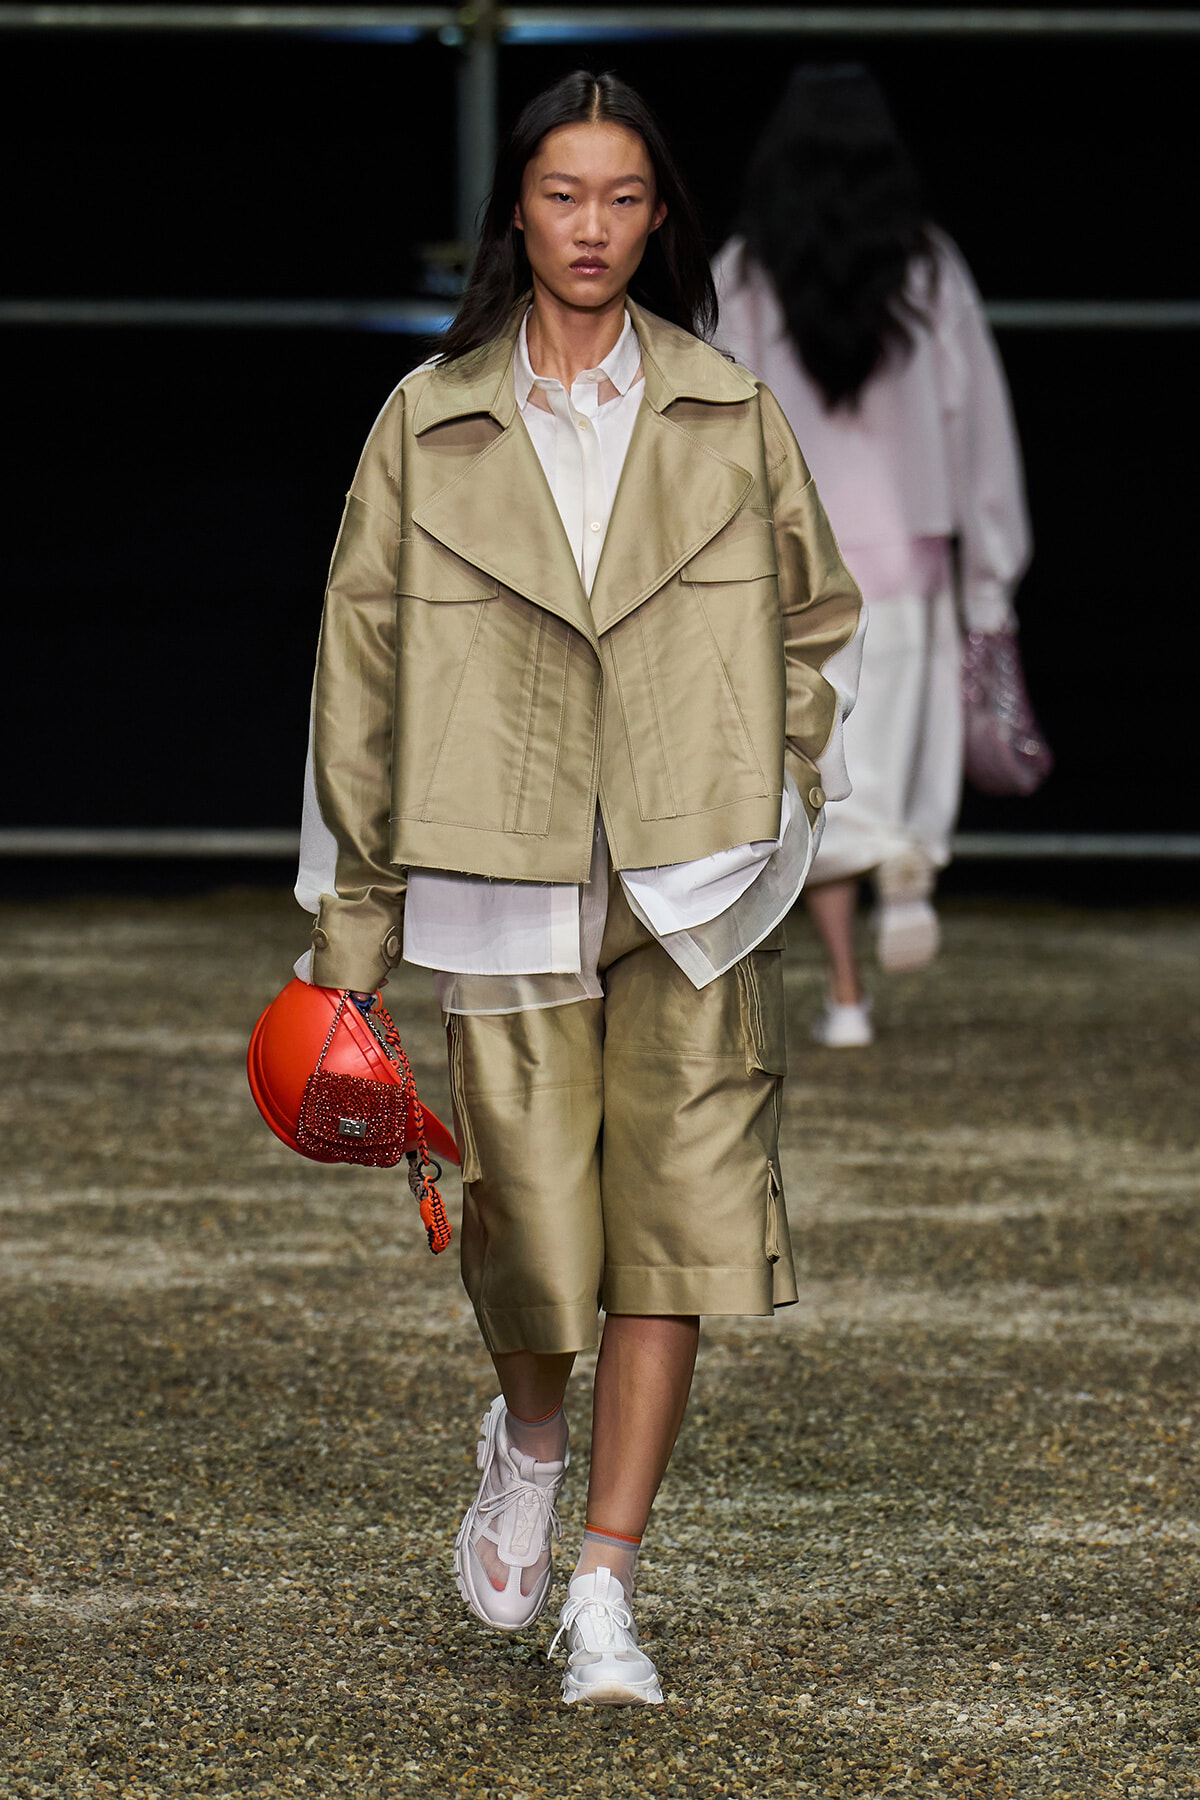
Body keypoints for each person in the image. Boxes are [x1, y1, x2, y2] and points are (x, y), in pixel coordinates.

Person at [294, 70, 862, 1705]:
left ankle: (606, 1586)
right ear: (519, 214)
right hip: (500, 863)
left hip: (694, 877)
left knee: (674, 1234)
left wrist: (770, 775)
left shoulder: (727, 409)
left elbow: (817, 622)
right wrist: (353, 932)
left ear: (659, 213)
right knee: (536, 1234)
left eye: (623, 198)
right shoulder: (431, 419)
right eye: (563, 196)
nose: (594, 227)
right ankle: (527, 1435)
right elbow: (361, 663)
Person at [714, 65, 1032, 1048]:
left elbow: (710, 424)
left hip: (786, 564)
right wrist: (994, 580)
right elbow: (976, 425)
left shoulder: (744, 275)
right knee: (891, 766)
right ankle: (906, 868)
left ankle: (846, 996)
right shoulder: (930, 271)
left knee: (813, 777)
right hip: (909, 559)